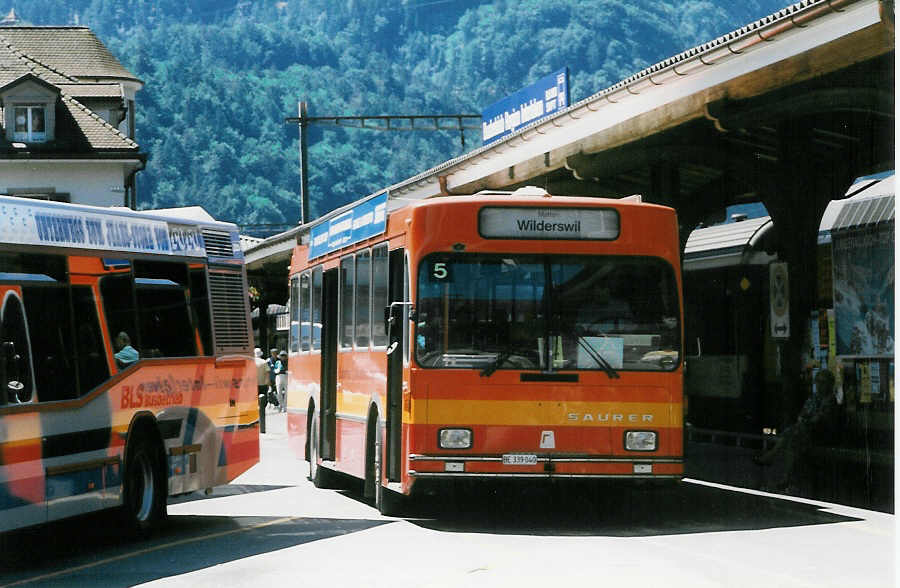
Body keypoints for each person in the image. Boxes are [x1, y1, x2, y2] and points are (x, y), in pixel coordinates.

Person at [754, 369, 839, 491]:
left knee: (794, 434)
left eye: (822, 382)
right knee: (793, 444)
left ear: (829, 384)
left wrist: (807, 420)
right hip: (805, 432)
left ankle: (771, 456)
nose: (819, 385)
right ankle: (786, 478)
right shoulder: (813, 398)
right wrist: (806, 420)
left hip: (820, 435)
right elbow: (803, 414)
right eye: (818, 382)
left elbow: (819, 420)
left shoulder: (830, 400)